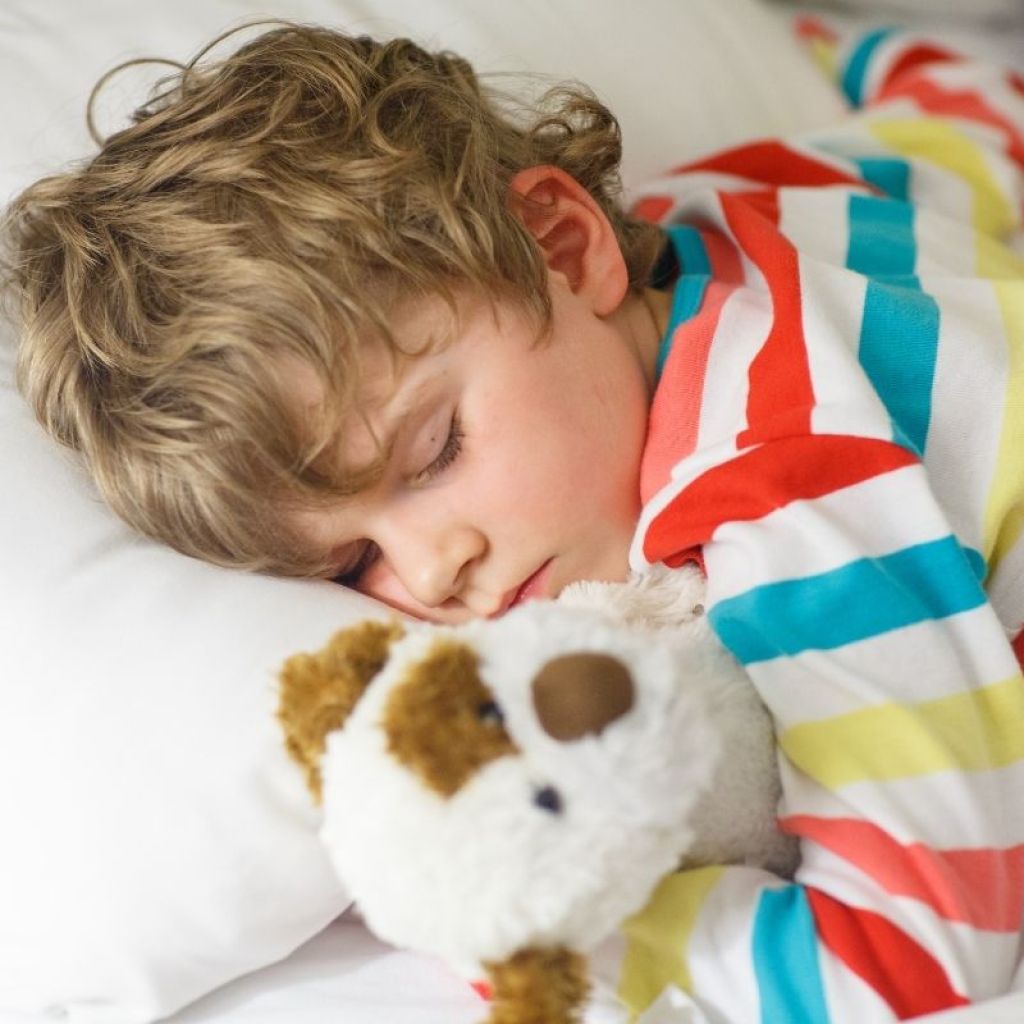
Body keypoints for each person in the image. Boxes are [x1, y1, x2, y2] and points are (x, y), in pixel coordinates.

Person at [4, 18, 1024, 1021]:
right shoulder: (740, 199)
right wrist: (838, 43)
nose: (432, 572)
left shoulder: (787, 486)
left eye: (433, 451)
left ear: (565, 245)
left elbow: (906, 955)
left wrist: (538, 944)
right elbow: (969, 111)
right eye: (354, 561)